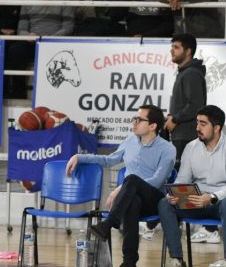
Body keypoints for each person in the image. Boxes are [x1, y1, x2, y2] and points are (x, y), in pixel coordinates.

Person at [66, 105, 176, 267]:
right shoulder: (130, 140)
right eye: (134, 118)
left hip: (154, 200)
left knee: (131, 180)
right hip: (132, 197)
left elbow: (157, 181)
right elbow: (109, 160)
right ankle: (129, 261)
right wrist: (80, 157)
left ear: (153, 126)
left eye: (139, 120)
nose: (134, 122)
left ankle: (109, 223)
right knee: (132, 203)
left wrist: (123, 187)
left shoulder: (168, 149)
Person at [158, 105, 226, 267]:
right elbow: (183, 178)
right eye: (197, 123)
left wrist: (212, 197)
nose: (197, 128)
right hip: (197, 201)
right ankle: (177, 259)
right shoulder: (191, 148)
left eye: (203, 124)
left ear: (217, 127)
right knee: (165, 203)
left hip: (223, 202)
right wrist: (175, 193)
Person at [165, 33, 207, 169]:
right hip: (181, 135)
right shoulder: (185, 72)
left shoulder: (191, 73)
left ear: (188, 51)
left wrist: (175, 119)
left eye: (176, 47)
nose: (172, 50)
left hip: (187, 136)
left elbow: (195, 105)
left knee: (184, 182)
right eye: (172, 47)